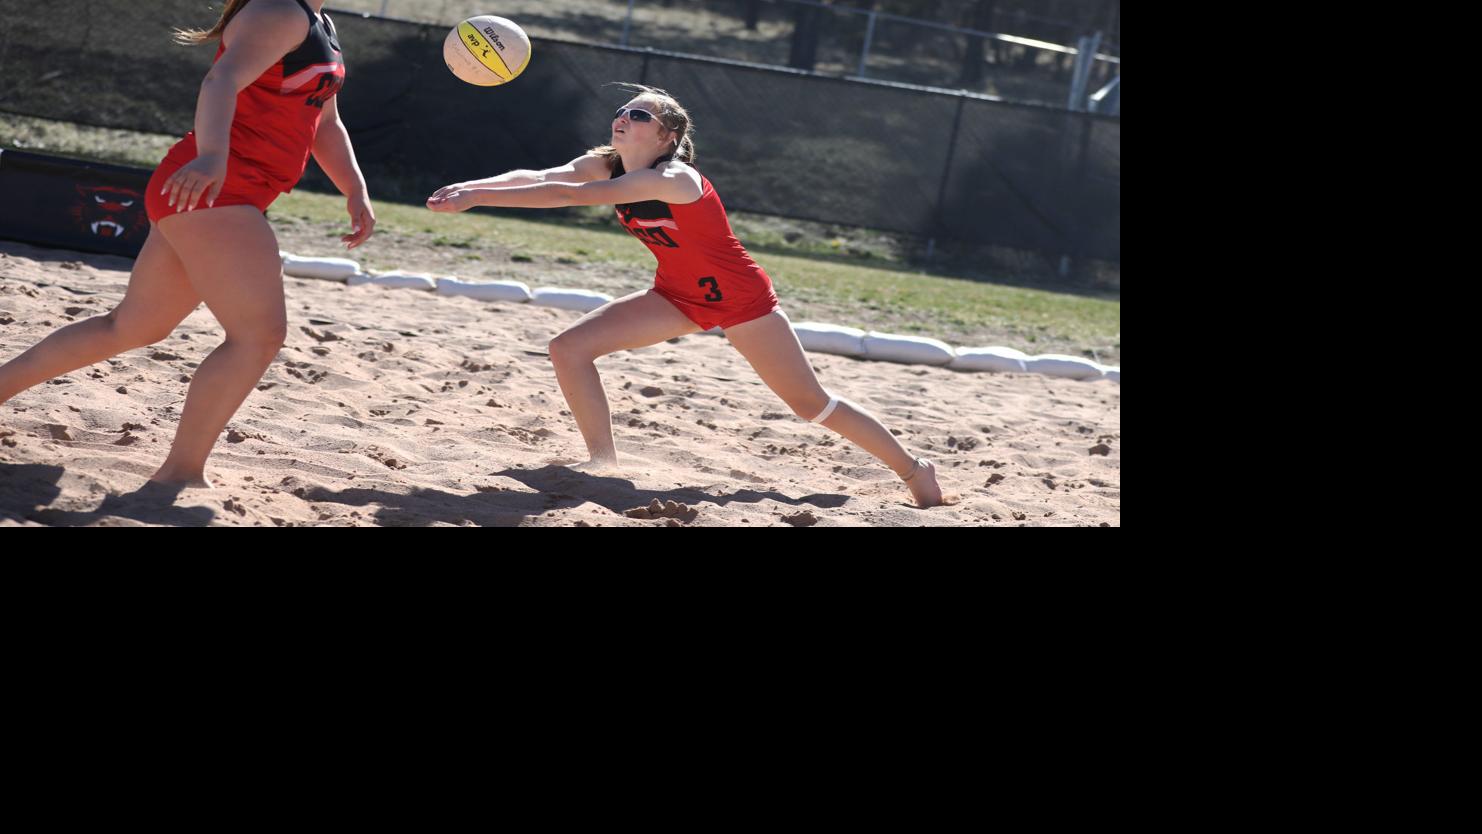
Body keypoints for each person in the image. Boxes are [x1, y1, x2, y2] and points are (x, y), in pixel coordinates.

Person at [427, 84, 944, 507]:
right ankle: (602, 460)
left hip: (742, 300)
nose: (622, 118)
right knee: (569, 348)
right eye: (621, 111)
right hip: (677, 295)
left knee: (809, 403)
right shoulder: (608, 163)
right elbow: (543, 177)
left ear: (668, 135)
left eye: (638, 114)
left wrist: (477, 198)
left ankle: (914, 469)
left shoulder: (676, 179)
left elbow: (570, 196)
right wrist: (470, 185)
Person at [0, 0, 375, 488]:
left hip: (211, 192)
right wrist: (213, 156)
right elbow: (219, 81)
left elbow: (325, 122)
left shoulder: (316, 20)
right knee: (258, 337)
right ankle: (181, 473)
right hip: (217, 190)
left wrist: (355, 189)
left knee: (129, 327)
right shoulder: (281, 11)